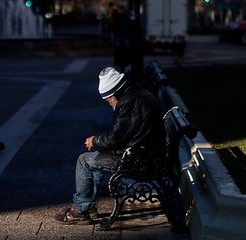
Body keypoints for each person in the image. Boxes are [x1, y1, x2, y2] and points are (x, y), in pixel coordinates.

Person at [54, 66, 166, 224]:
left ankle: (80, 211)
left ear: (114, 93)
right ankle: (88, 207)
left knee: (84, 160)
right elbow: (122, 134)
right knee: (96, 159)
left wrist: (95, 141)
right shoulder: (139, 94)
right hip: (148, 154)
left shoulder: (127, 103)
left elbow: (115, 139)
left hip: (137, 159)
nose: (109, 103)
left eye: (108, 100)